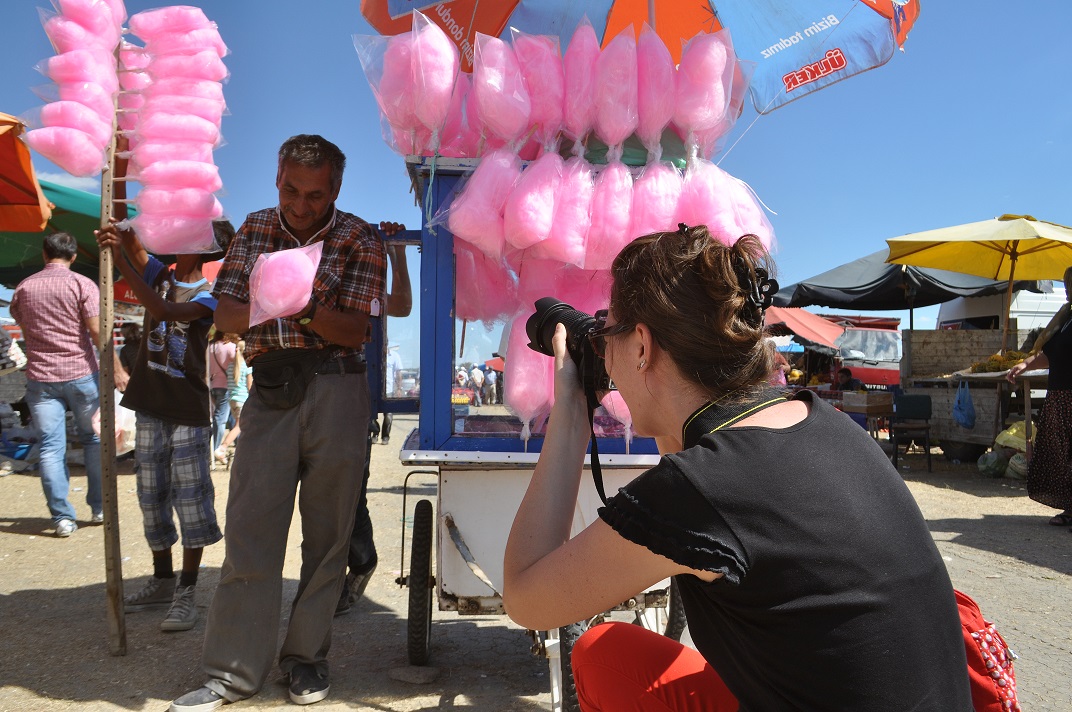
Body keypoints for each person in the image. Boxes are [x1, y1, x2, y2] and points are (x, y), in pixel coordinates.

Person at [502, 225, 972, 711]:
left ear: (642, 345)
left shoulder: (702, 488)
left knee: (603, 654)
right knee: (619, 656)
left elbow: (526, 597)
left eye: (607, 332)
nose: (603, 352)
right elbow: (695, 449)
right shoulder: (820, 421)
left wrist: (571, 413)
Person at [171, 134, 386, 712]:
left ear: (335, 190)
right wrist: (295, 303)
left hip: (339, 387)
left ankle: (305, 661)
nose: (299, 205)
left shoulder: (360, 236)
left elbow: (354, 330)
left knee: (328, 536)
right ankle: (231, 674)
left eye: (314, 195)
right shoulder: (255, 228)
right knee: (249, 531)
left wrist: (301, 305)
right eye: (291, 189)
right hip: (269, 390)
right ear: (277, 180)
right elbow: (230, 314)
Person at [95, 216, 233, 633]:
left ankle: (187, 591)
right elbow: (134, 243)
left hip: (188, 412)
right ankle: (161, 579)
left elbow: (163, 310)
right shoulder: (159, 272)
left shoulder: (211, 297)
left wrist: (125, 262)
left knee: (190, 503)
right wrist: (119, 233)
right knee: (151, 498)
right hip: (150, 405)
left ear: (203, 246)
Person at [10, 232, 128, 537]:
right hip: (81, 375)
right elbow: (97, 333)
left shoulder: (24, 287)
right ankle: (99, 507)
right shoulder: (81, 284)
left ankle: (62, 518)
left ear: (44, 253)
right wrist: (116, 369)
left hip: (40, 378)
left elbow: (22, 324)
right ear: (73, 256)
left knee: (50, 447)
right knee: (93, 441)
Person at [339, 237, 411, 617]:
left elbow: (401, 305)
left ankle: (361, 560)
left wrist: (397, 252)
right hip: (311, 402)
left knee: (349, 497)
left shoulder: (366, 298)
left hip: (355, 407)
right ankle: (328, 580)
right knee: (320, 503)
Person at [1007, 265, 1072, 528]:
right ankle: (1070, 508)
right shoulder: (1066, 316)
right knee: (1063, 455)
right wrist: (1025, 365)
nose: (1067, 291)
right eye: (1066, 286)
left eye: (1070, 285)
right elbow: (1053, 353)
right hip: (1060, 395)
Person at [214, 340, 251, 463]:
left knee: (241, 426)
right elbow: (250, 387)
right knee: (239, 426)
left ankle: (243, 452)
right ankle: (222, 447)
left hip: (233, 400)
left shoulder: (230, 366)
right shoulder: (247, 368)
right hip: (243, 399)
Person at [207, 331, 237, 457]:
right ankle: (216, 448)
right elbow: (238, 364)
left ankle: (237, 442)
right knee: (221, 418)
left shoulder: (210, 347)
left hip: (213, 385)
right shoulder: (230, 347)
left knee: (230, 417)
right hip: (226, 385)